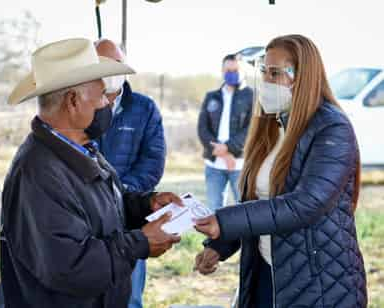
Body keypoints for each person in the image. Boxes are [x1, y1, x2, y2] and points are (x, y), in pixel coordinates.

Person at [0, 38, 182, 308]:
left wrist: (144, 205)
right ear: (73, 101)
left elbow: (96, 208)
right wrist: (140, 243)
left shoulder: (80, 149)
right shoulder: (38, 173)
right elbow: (69, 267)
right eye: (101, 96)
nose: (107, 105)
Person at [194, 34, 367, 308]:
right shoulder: (272, 128)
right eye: (264, 71)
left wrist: (224, 221)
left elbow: (306, 204)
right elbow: (258, 205)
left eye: (275, 73)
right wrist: (221, 245)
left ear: (303, 76)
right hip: (267, 274)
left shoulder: (332, 128)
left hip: (318, 283)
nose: (266, 81)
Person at [95, 39, 166, 308]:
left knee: (130, 297)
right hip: (90, 221)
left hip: (128, 218)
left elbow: (153, 162)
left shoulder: (144, 109)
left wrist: (117, 191)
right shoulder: (84, 106)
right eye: (101, 65)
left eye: (116, 65)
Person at [197, 54, 253, 211]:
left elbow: (251, 129)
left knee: (245, 211)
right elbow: (202, 128)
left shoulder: (252, 96)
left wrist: (228, 148)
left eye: (235, 70)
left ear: (243, 71)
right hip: (214, 164)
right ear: (222, 70)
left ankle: (243, 237)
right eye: (228, 70)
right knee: (215, 211)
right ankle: (219, 238)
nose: (231, 73)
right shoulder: (211, 96)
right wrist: (223, 153)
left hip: (241, 165)